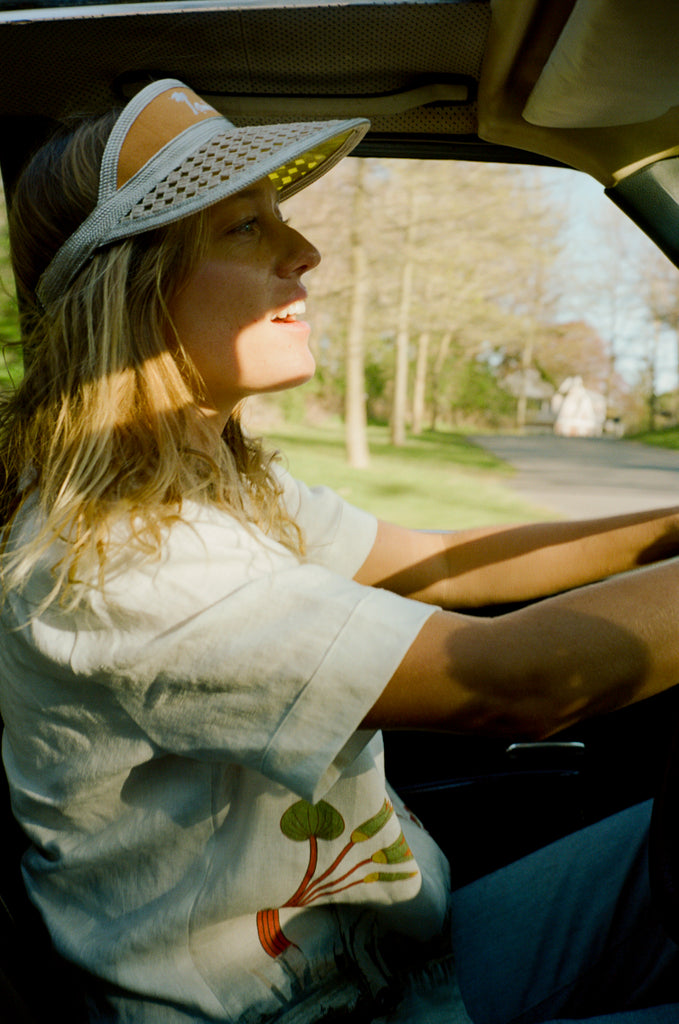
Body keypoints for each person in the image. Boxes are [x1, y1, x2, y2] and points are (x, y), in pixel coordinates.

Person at [1, 77, 679, 1024]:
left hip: (399, 962)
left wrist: (663, 526)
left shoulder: (214, 485)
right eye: (244, 229)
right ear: (133, 283)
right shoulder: (118, 560)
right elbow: (518, 681)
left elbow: (445, 559)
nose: (305, 252)